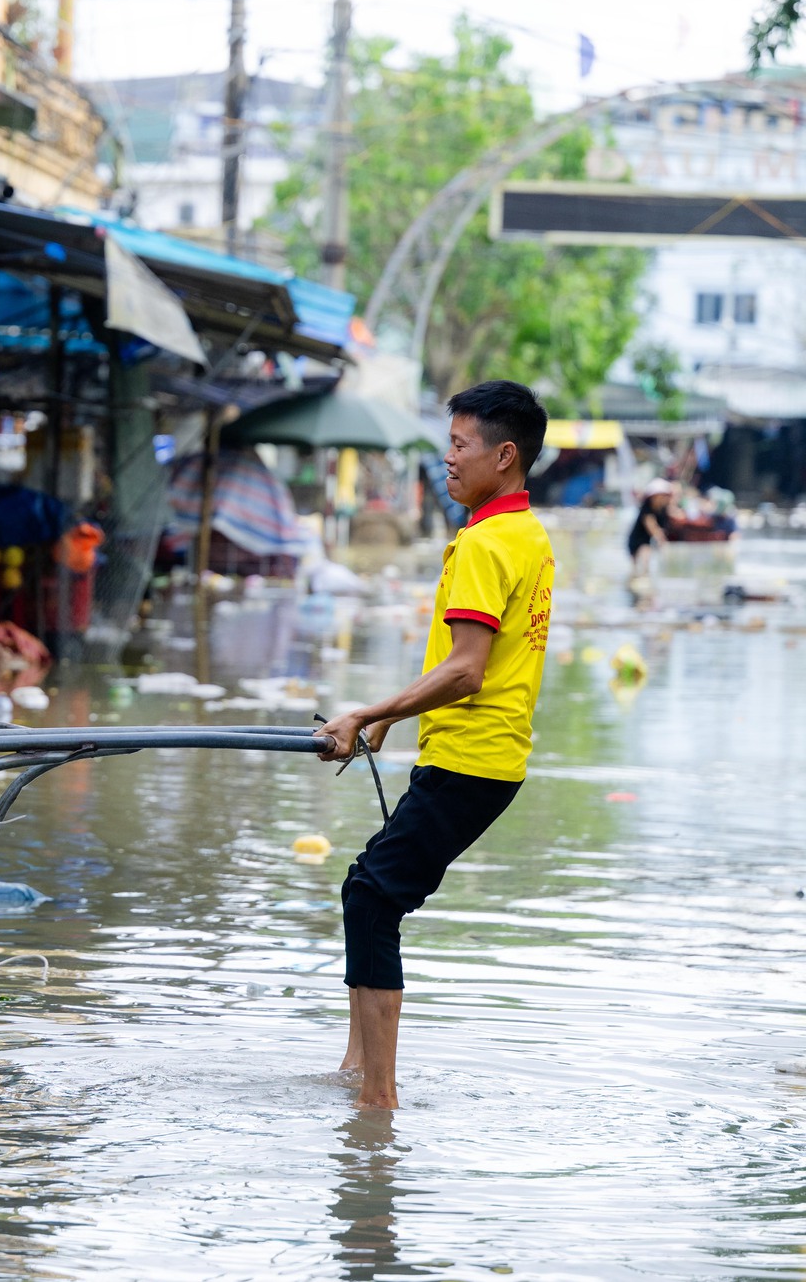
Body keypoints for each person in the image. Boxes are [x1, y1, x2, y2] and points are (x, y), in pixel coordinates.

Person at [313, 380, 554, 1109]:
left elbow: (466, 670)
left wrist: (364, 711)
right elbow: (483, 666)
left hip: (470, 760)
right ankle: (356, 1067)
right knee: (366, 886)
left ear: (504, 456)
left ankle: (376, 1102)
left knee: (373, 896)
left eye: (459, 445)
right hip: (488, 757)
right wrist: (393, 719)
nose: (446, 458)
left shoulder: (485, 543)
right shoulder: (526, 534)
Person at [628, 478, 675, 578]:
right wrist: (663, 543)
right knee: (643, 560)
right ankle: (641, 577)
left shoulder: (662, 510)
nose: (665, 499)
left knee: (646, 560)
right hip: (637, 541)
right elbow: (654, 530)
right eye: (663, 496)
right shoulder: (647, 511)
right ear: (654, 497)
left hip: (648, 541)